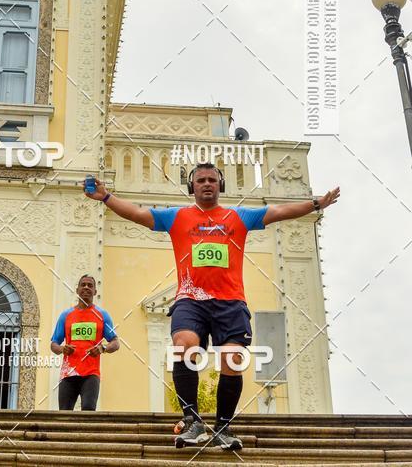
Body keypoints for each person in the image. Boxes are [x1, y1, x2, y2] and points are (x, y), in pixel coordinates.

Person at [84, 164, 339, 449]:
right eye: (201, 180)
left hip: (231, 303)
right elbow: (139, 214)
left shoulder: (238, 216)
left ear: (220, 185)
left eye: (212, 180)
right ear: (192, 187)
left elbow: (279, 211)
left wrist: (316, 204)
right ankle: (192, 422)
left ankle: (223, 428)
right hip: (190, 299)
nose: (207, 184)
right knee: (184, 344)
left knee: (233, 359)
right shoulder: (177, 216)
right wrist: (106, 197)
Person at [50, 274, 119, 411]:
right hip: (68, 373)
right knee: (64, 412)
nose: (86, 287)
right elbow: (54, 344)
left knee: (88, 410)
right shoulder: (66, 315)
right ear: (77, 290)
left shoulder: (102, 315)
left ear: (95, 291)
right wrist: (63, 349)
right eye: (83, 285)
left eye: (90, 285)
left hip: (91, 374)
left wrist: (102, 348)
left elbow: (116, 342)